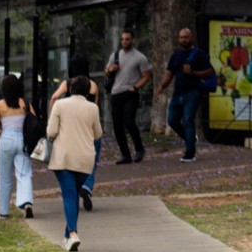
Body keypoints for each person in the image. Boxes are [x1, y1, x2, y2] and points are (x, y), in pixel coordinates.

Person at [44, 74, 103, 252]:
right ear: (87, 92)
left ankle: (73, 233)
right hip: (85, 159)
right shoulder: (93, 108)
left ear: (70, 89)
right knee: (74, 194)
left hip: (64, 157)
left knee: (69, 195)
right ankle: (67, 235)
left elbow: (51, 131)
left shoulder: (60, 105)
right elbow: (98, 134)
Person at [155, 26, 215, 161]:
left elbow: (209, 72)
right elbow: (169, 74)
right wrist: (161, 87)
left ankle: (190, 153)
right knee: (172, 120)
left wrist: (193, 73)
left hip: (193, 92)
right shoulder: (176, 55)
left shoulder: (199, 54)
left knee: (188, 120)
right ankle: (191, 139)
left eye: (186, 37)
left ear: (191, 38)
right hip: (178, 93)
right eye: (181, 37)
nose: (184, 40)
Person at [52, 55, 103, 206]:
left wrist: (53, 116)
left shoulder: (68, 83)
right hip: (88, 127)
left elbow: (55, 97)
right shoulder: (93, 85)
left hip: (70, 129)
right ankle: (86, 186)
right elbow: (95, 106)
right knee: (92, 159)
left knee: (70, 160)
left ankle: (73, 189)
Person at [0, 73, 36, 220]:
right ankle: (27, 203)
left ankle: (3, 212)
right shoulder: (25, 104)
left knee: (4, 177)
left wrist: (2, 132)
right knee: (24, 173)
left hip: (6, 139)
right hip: (22, 140)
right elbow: (34, 122)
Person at [105, 30, 152, 164]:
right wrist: (110, 69)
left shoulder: (140, 57)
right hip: (116, 92)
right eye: (122, 39)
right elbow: (106, 70)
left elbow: (146, 76)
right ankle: (125, 154)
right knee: (117, 126)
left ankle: (139, 149)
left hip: (130, 92)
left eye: (127, 39)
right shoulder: (115, 56)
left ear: (133, 40)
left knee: (129, 122)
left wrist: (136, 87)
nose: (124, 41)